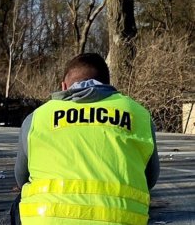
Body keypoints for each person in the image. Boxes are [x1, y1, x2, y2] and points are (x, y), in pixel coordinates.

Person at [12, 53, 159, 225]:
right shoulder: (137, 114)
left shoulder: (37, 117)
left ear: (64, 86)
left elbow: (21, 178)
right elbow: (150, 178)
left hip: (48, 219)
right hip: (120, 220)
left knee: (20, 202)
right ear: (108, 85)